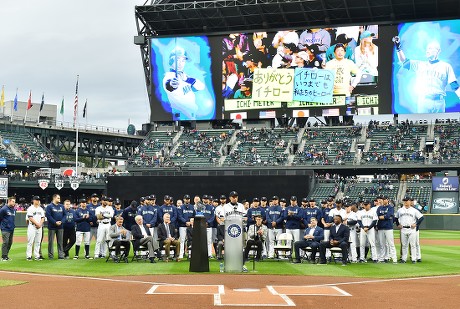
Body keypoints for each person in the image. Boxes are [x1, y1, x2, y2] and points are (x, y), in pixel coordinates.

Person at [393, 36, 460, 113]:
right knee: (422, 124)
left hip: (439, 102)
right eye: (427, 49)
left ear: (438, 51)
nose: (428, 51)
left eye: (431, 48)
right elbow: (404, 62)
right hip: (424, 101)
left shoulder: (446, 66)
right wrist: (398, 47)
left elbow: (455, 86)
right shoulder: (420, 64)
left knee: (440, 124)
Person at [163, 46, 205, 120]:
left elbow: (201, 87)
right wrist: (172, 85)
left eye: (183, 61)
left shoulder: (184, 76)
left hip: (192, 115)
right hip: (180, 116)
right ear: (171, 61)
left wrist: (188, 79)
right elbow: (169, 85)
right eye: (177, 60)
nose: (180, 63)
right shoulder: (168, 77)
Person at [395, 196, 424, 263]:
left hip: (411, 229)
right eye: (404, 201)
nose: (405, 202)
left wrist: (416, 224)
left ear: (410, 201)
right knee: (404, 245)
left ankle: (414, 259)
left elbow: (421, 217)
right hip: (403, 229)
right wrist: (398, 224)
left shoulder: (414, 210)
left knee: (413, 245)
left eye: (407, 200)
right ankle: (403, 259)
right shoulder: (400, 210)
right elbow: (396, 218)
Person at [376, 196, 398, 264]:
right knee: (382, 244)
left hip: (388, 227)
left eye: (384, 199)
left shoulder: (390, 207)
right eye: (382, 199)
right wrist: (383, 217)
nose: (382, 200)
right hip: (380, 227)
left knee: (391, 243)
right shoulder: (379, 207)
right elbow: (377, 216)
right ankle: (382, 258)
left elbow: (389, 216)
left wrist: (382, 217)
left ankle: (394, 258)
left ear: (387, 200)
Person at [45, 194, 65, 260]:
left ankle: (61, 255)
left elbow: (65, 215)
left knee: (60, 242)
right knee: (51, 242)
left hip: (60, 226)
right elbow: (48, 216)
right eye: (58, 198)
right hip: (52, 227)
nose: (59, 199)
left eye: (59, 198)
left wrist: (61, 221)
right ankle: (51, 256)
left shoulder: (62, 206)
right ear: (54, 198)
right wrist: (55, 222)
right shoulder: (49, 206)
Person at [26, 196, 45, 261]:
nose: (38, 201)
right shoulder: (30, 208)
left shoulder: (41, 209)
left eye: (38, 200)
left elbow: (43, 217)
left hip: (39, 227)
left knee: (38, 242)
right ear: (33, 200)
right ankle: (29, 256)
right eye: (36, 200)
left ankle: (37, 256)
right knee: (30, 242)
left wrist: (40, 224)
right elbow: (30, 218)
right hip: (32, 226)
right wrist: (37, 224)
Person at [0, 197, 16, 261]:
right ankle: (3, 256)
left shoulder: (13, 210)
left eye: (14, 201)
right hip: (5, 228)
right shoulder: (3, 209)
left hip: (11, 228)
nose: (14, 203)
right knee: (5, 242)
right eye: (13, 201)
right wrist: (2, 226)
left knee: (10, 242)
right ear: (9, 201)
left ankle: (6, 255)